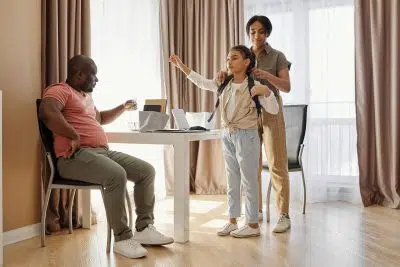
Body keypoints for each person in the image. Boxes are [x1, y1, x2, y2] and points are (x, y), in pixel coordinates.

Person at [39, 55, 174, 259]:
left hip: (101, 152)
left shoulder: (85, 96)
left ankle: (144, 228)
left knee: (146, 171)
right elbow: (47, 112)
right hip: (73, 158)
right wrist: (73, 135)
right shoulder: (59, 90)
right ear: (79, 74)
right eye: (94, 75)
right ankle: (122, 239)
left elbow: (100, 118)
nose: (97, 80)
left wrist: (122, 107)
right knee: (115, 175)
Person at [169, 45, 279, 238]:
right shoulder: (224, 83)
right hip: (227, 134)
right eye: (228, 58)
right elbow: (201, 82)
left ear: (246, 62)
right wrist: (182, 67)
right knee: (232, 179)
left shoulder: (255, 85)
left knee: (249, 181)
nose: (229, 61)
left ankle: (253, 224)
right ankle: (232, 220)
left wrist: (266, 92)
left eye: (234, 58)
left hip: (247, 135)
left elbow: (274, 110)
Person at [218, 15, 292, 233]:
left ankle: (283, 215)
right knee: (252, 166)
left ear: (267, 33)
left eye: (260, 31)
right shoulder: (243, 55)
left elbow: (287, 86)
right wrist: (224, 73)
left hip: (270, 112)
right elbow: (231, 80)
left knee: (277, 163)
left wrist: (266, 76)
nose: (256, 35)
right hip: (246, 115)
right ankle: (255, 212)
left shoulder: (277, 56)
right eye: (252, 31)